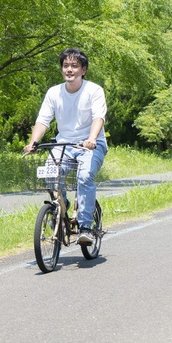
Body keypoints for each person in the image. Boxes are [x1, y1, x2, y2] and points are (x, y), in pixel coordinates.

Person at [24, 48, 107, 245]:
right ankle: (61, 208)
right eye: (66, 66)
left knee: (84, 176)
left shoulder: (94, 90)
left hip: (90, 145)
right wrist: (33, 142)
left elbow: (98, 117)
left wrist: (92, 139)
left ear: (83, 70)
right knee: (49, 173)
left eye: (74, 66)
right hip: (64, 145)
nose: (69, 70)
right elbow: (43, 120)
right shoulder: (54, 92)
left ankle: (86, 226)